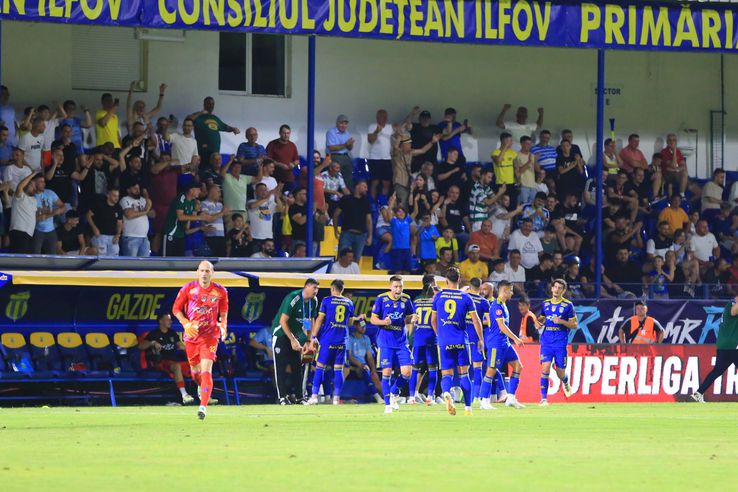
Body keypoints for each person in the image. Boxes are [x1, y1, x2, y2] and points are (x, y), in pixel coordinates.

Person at [172, 261, 229, 420]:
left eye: (207, 271)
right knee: (195, 373)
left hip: (210, 336)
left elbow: (223, 312)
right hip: (191, 335)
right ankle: (201, 387)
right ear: (197, 272)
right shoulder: (188, 288)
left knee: (206, 371)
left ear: (212, 273)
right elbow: (176, 309)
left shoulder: (220, 291)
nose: (204, 274)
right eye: (202, 271)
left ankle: (203, 406)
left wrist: (223, 325)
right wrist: (186, 323)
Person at [431, 267, 483, 416]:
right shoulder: (466, 297)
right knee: (464, 374)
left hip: (444, 340)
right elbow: (476, 320)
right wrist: (480, 339)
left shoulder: (439, 297)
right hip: (461, 339)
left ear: (446, 280)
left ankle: (447, 392)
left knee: (447, 374)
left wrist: (439, 335)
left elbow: (433, 320)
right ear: (459, 279)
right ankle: (468, 409)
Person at [307, 280, 360, 405]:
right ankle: (336, 398)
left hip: (328, 338)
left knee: (319, 367)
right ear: (342, 290)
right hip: (342, 340)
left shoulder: (326, 300)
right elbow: (351, 323)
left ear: (332, 289)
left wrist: (313, 336)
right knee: (338, 369)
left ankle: (314, 396)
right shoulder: (349, 302)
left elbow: (320, 319)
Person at [370, 275, 416, 414]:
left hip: (401, 341)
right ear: (390, 287)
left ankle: (394, 392)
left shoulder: (406, 299)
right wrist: (384, 322)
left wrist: (412, 319)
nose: (398, 289)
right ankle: (388, 404)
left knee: (407, 373)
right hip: (385, 341)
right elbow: (372, 319)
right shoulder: (381, 299)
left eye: (400, 286)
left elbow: (408, 318)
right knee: (387, 372)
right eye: (396, 286)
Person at [272, 278, 320, 405]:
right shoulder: (293, 298)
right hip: (281, 333)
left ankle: (299, 397)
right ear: (306, 287)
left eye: (318, 288)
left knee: (297, 367)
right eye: (314, 288)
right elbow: (283, 321)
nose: (316, 291)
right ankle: (282, 397)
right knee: (280, 366)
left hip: (297, 336)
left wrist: (309, 339)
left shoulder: (313, 301)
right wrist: (292, 340)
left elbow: (308, 320)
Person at [480, 280, 525, 410]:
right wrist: (516, 338)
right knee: (491, 370)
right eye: (510, 290)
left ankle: (510, 398)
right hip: (496, 343)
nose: (512, 293)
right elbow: (501, 326)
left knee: (518, 367)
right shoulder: (496, 306)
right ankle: (484, 401)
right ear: (504, 291)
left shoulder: (504, 305)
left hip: (504, 343)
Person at [537, 279, 577, 406]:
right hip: (546, 341)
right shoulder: (545, 304)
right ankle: (543, 399)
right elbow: (542, 318)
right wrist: (538, 322)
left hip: (560, 342)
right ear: (551, 288)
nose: (557, 289)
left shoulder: (568, 305)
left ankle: (565, 381)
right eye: (555, 287)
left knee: (560, 372)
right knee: (545, 367)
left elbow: (575, 325)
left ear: (563, 291)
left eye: (560, 288)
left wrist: (561, 321)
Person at [139, 313, 194, 405]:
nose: (170, 321)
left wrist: (185, 348)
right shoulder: (154, 334)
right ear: (161, 321)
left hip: (174, 360)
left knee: (195, 367)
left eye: (170, 320)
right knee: (176, 366)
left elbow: (180, 345)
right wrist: (152, 343)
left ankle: (204, 395)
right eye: (168, 319)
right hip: (160, 362)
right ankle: (184, 395)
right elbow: (141, 346)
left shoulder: (172, 333)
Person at [692, 295, 738, 403]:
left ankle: (698, 393)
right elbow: (733, 312)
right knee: (717, 371)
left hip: (724, 346)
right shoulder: (731, 305)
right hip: (732, 346)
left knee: (717, 371)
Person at [408, 274, 439, 405]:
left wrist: (410, 335)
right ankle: (430, 396)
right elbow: (434, 321)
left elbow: (412, 321)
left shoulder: (416, 302)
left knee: (415, 368)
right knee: (433, 368)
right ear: (433, 293)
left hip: (418, 339)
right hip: (431, 338)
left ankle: (411, 397)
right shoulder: (435, 303)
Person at [188, 97, 240, 165]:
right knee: (204, 170)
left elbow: (225, 127)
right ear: (204, 104)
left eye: (212, 104)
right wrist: (200, 113)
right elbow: (188, 119)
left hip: (215, 152)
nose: (211, 105)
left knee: (213, 171)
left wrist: (233, 129)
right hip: (203, 150)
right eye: (209, 103)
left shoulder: (215, 118)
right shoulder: (198, 117)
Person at [464, 278, 490, 403]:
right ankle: (476, 397)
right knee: (477, 368)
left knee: (462, 369)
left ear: (469, 286)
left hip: (462, 336)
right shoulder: (484, 302)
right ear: (480, 288)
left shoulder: (463, 298)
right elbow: (490, 322)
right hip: (476, 337)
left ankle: (463, 396)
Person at [333, 180, 372, 260]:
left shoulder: (366, 202)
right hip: (347, 233)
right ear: (357, 186)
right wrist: (335, 228)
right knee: (341, 258)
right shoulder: (346, 199)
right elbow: (336, 214)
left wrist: (370, 235)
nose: (366, 189)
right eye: (364, 187)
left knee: (356, 260)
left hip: (361, 235)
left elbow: (369, 220)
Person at [347, 319, 383, 403]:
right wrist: (360, 365)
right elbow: (349, 356)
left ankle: (386, 396)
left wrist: (373, 370)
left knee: (373, 374)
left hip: (363, 365)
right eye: (361, 326)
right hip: (353, 366)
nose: (364, 328)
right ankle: (377, 397)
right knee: (365, 370)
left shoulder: (366, 338)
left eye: (364, 326)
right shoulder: (350, 338)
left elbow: (370, 357)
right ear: (355, 326)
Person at [9, 170, 40, 253]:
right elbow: (19, 187)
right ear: (25, 186)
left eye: (34, 186)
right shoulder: (19, 196)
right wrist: (33, 174)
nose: (33, 187)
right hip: (19, 231)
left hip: (29, 234)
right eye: (31, 185)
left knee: (25, 261)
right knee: (18, 259)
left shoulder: (34, 200)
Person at [119, 183, 152, 257]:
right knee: (131, 265)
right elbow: (129, 215)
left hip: (144, 238)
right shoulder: (125, 199)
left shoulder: (143, 200)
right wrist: (145, 211)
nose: (137, 190)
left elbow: (153, 214)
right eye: (135, 188)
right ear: (128, 190)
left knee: (145, 264)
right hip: (131, 237)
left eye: (138, 188)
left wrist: (148, 205)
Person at [266, 124, 300, 189]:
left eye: (288, 133)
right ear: (280, 133)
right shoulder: (272, 144)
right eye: (284, 133)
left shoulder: (292, 145)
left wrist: (293, 164)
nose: (286, 135)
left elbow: (297, 161)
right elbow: (268, 160)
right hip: (275, 177)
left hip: (289, 178)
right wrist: (279, 165)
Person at [326, 114, 354, 189]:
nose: (343, 125)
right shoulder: (331, 132)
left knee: (348, 179)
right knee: (337, 179)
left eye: (345, 123)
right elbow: (331, 148)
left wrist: (350, 144)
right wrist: (345, 144)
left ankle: (348, 196)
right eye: (341, 123)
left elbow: (349, 148)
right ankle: (337, 195)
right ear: (337, 123)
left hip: (346, 156)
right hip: (335, 157)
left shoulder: (347, 133)